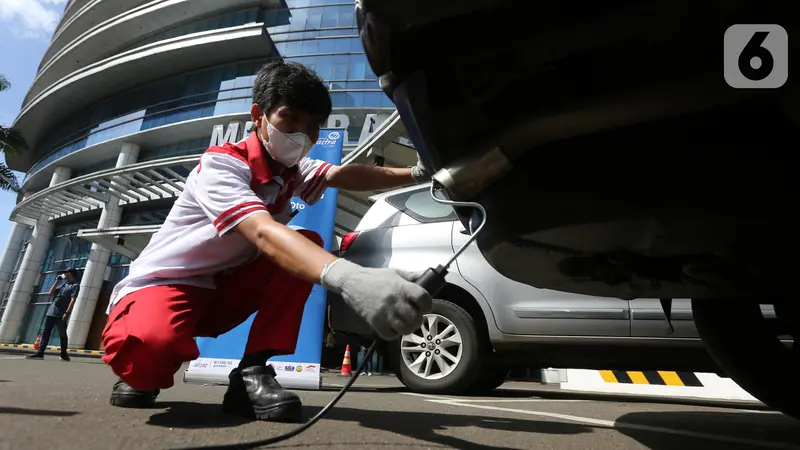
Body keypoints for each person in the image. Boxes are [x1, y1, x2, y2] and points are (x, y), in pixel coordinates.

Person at [101, 60, 434, 422]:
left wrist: (415, 173)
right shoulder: (223, 165)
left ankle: (252, 373)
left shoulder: (293, 171)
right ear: (258, 116)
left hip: (221, 293)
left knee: (306, 239)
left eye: (312, 127)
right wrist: (350, 279)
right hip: (165, 285)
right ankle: (144, 364)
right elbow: (261, 230)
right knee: (150, 355)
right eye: (289, 119)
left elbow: (345, 174)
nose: (301, 136)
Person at [26, 268, 79, 361]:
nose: (64, 274)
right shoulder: (63, 284)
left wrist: (67, 312)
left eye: (66, 272)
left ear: (70, 274)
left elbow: (73, 300)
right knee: (45, 333)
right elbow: (50, 293)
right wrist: (57, 281)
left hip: (61, 314)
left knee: (62, 334)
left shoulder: (75, 286)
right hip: (51, 312)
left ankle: (64, 354)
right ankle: (40, 353)